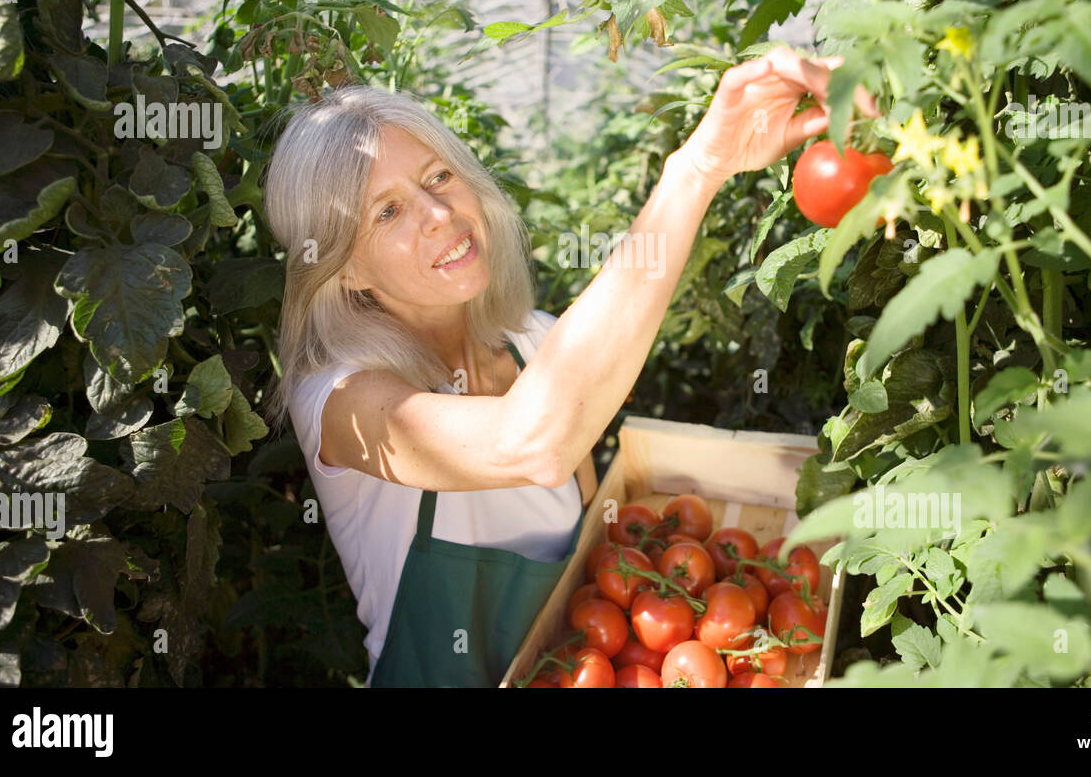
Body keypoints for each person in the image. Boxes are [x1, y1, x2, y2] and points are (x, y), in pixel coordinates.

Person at [260, 46, 847, 687]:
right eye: (388, 212)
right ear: (342, 267)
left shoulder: (535, 342)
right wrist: (696, 170)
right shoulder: (340, 401)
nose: (439, 215)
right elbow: (532, 442)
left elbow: (597, 549)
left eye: (438, 177)